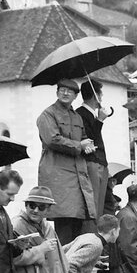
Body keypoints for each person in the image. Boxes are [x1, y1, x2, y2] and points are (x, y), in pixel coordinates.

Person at [36, 79, 97, 244]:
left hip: (78, 180)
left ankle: (72, 266)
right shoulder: (47, 114)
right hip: (60, 178)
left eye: (69, 91)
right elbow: (52, 140)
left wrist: (88, 145)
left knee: (78, 226)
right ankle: (64, 267)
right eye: (62, 90)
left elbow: (83, 138)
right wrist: (79, 145)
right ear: (57, 92)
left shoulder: (77, 117)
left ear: (76, 95)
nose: (65, 93)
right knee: (64, 226)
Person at [76, 78, 114, 226]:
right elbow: (89, 139)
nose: (102, 98)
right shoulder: (80, 114)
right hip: (93, 162)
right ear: (96, 96)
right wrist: (100, 121)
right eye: (101, 94)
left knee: (103, 203)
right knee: (95, 204)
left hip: (100, 163)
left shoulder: (91, 113)